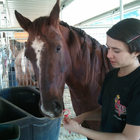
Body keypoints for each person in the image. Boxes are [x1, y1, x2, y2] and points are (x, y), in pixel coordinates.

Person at [63, 18, 140, 140]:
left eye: (116, 50)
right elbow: (108, 112)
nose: (109, 55)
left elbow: (129, 137)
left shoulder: (137, 85)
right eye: (108, 48)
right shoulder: (111, 76)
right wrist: (84, 116)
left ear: (136, 52)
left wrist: (80, 130)